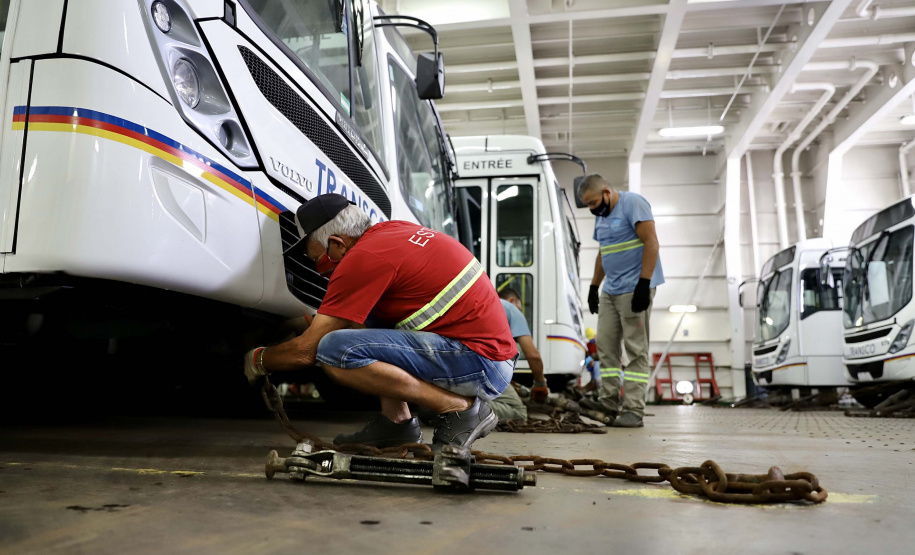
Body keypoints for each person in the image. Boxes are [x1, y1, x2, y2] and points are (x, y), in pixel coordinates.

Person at [244, 194, 518, 449]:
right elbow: (357, 316)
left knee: (333, 349)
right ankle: (396, 423)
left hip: (480, 364)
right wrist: (302, 322)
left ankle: (459, 409)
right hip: (490, 357)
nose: (322, 271)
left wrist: (259, 359)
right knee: (369, 319)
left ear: (338, 244)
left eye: (319, 261)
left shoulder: (362, 259)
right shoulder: (392, 233)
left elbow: (306, 352)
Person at [579, 174, 663, 428]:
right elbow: (604, 252)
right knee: (605, 346)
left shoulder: (633, 203)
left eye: (593, 202)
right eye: (588, 205)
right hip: (611, 290)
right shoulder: (602, 217)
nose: (593, 209)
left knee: (636, 349)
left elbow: (651, 242)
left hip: (634, 289)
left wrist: (644, 283)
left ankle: (634, 410)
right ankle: (609, 401)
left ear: (606, 192)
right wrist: (595, 286)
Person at [485, 287, 549, 421]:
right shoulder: (510, 308)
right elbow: (533, 355)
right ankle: (460, 409)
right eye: (520, 308)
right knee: (518, 413)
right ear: (512, 301)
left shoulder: (483, 303)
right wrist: (540, 384)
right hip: (482, 365)